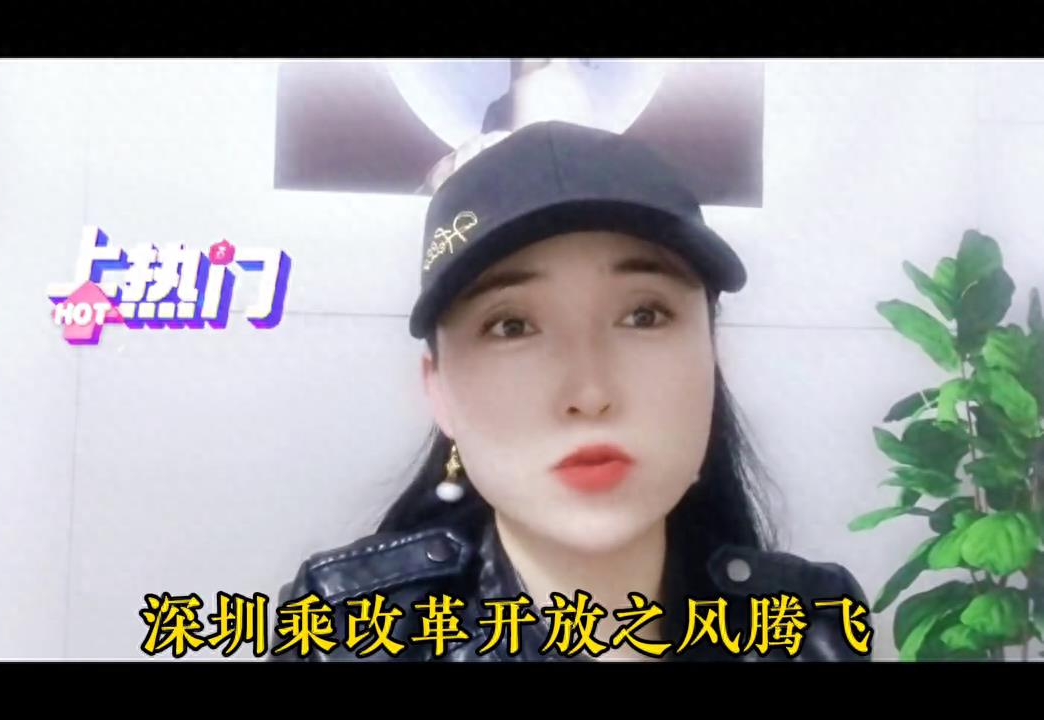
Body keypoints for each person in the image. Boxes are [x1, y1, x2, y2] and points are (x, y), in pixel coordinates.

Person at [272, 120, 872, 663]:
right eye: (512, 326)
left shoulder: (810, 630)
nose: (590, 392)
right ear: (439, 390)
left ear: (713, 357)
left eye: (643, 315)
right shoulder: (348, 635)